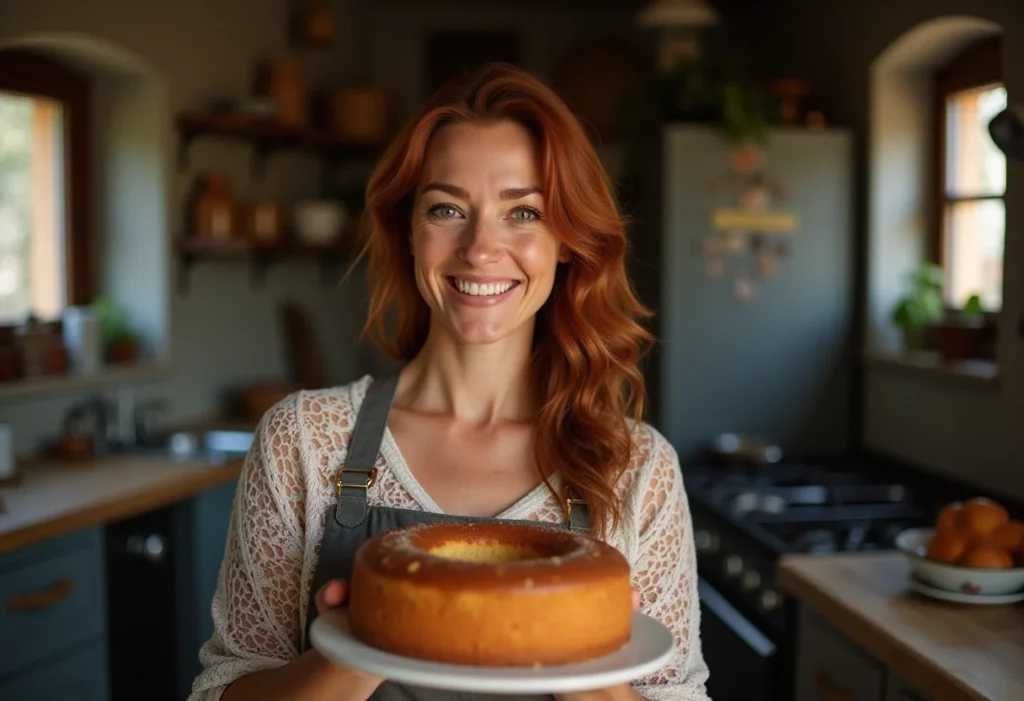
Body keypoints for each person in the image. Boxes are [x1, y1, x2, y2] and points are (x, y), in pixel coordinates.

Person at [189, 62, 711, 701]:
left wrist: (585, 665)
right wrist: (359, 647)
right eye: (446, 209)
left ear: (568, 241)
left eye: (523, 212)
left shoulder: (636, 468)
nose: (480, 247)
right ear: (408, 229)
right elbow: (224, 689)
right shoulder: (303, 439)